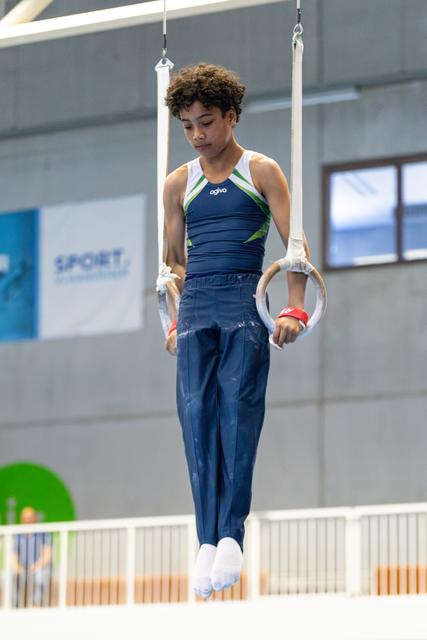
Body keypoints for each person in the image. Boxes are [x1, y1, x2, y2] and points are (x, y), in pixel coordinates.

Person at [163, 63, 310, 598]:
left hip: (246, 303)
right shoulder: (179, 182)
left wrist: (294, 309)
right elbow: (173, 264)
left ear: (231, 116)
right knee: (196, 421)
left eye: (207, 122)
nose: (198, 135)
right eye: (188, 126)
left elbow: (295, 248)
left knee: (235, 416)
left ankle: (232, 535)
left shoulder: (262, 170)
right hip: (198, 306)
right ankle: (206, 538)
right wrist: (173, 315)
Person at [11, 506, 53, 607]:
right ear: (21, 519)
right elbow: (14, 556)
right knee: (10, 575)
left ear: (35, 518)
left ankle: (35, 604)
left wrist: (35, 567)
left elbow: (47, 556)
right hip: (23, 568)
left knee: (41, 576)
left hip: (39, 567)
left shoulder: (43, 534)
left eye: (30, 517)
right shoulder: (17, 535)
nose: (27, 520)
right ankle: (16, 605)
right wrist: (17, 568)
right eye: (25, 518)